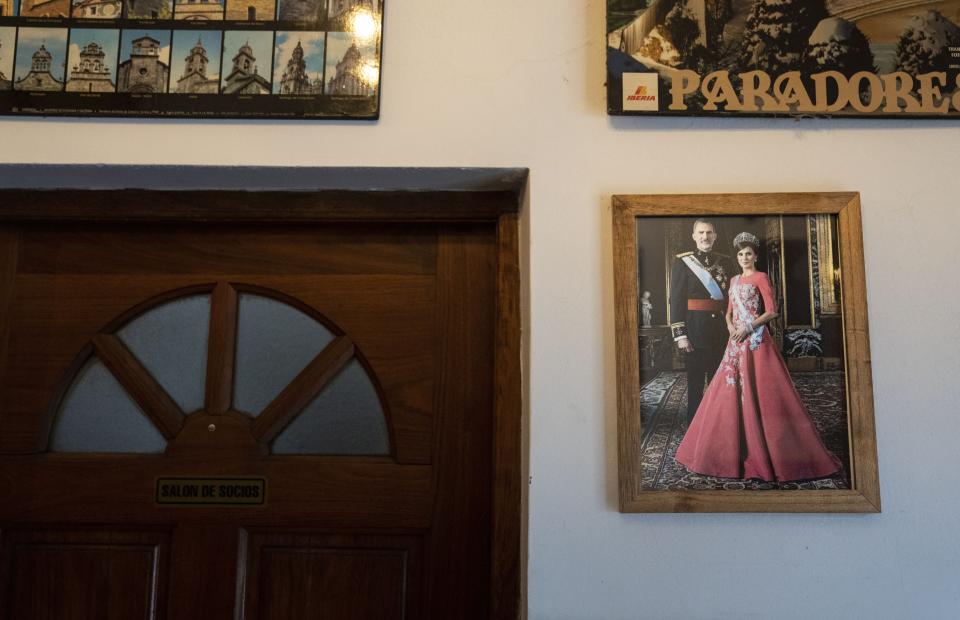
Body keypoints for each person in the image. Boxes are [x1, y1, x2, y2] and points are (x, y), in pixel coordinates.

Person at [675, 232, 842, 481]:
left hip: (755, 340)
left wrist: (748, 328)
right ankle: (728, 446)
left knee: (762, 390)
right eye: (741, 254)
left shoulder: (761, 277)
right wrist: (732, 328)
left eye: (748, 254)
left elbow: (772, 312)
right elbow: (728, 313)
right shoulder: (732, 280)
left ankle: (768, 446)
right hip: (736, 342)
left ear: (755, 256)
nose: (744, 258)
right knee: (727, 392)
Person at [669, 218, 733, 421]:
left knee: (720, 382)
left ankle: (718, 427)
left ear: (715, 236)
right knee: (695, 384)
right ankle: (695, 430)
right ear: (694, 236)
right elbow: (676, 300)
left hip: (720, 331)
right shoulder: (682, 262)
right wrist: (681, 336)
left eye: (709, 233)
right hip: (694, 331)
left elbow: (731, 298)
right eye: (701, 233)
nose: (705, 237)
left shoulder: (725, 261)